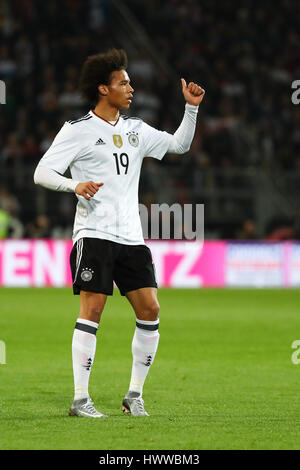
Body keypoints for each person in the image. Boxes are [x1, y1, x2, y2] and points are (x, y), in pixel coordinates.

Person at [34, 48, 205, 418]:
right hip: (94, 234)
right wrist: (74, 186)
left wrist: (190, 108)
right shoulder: (77, 130)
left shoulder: (136, 129)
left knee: (150, 308)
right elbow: (42, 172)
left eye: (129, 82)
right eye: (122, 82)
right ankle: (81, 399)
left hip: (131, 237)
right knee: (93, 308)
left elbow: (179, 144)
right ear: (102, 88)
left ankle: (134, 396)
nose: (131, 88)